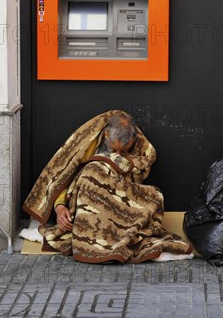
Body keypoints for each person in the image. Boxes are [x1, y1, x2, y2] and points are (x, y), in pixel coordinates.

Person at [23, 110, 193, 263]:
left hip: (117, 199)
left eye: (123, 151)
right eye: (115, 149)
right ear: (105, 135)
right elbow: (64, 178)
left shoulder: (135, 144)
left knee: (154, 196)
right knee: (92, 171)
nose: (117, 155)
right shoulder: (85, 145)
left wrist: (123, 164)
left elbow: (135, 176)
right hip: (83, 195)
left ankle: (117, 235)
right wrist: (60, 208)